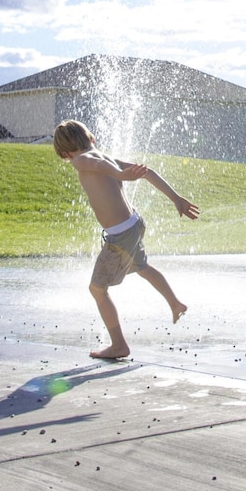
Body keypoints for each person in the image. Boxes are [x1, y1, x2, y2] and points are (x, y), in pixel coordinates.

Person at [53, 119, 199, 360]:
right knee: (142, 267)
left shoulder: (82, 160)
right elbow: (147, 171)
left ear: (65, 152)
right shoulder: (105, 155)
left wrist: (120, 174)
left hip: (121, 234)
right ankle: (175, 303)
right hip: (133, 225)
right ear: (90, 138)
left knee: (97, 289)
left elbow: (95, 164)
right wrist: (176, 198)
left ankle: (119, 345)